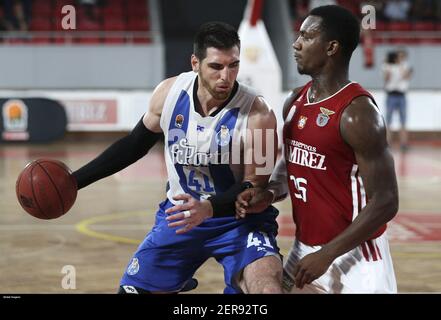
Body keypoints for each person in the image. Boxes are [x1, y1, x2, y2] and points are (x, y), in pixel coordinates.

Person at [72, 21, 283, 294]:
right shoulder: (169, 94)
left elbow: (255, 187)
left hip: (240, 221)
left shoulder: (258, 113)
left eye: (234, 66)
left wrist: (208, 207)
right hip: (181, 217)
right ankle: (175, 272)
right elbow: (134, 145)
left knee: (267, 290)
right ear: (195, 63)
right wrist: (74, 181)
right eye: (216, 67)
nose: (226, 76)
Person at [236, 5, 399, 293]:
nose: (296, 43)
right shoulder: (295, 102)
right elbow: (288, 172)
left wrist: (327, 253)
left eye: (307, 37)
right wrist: (268, 194)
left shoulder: (357, 112)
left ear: (331, 47)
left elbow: (386, 201)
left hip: (357, 257)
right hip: (306, 250)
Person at [383, 49, 412, 151]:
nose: (400, 58)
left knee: (403, 121)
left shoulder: (405, 65)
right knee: (388, 120)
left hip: (401, 95)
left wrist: (400, 65)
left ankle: (404, 144)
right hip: (391, 95)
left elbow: (406, 76)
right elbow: (386, 78)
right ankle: (387, 143)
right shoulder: (388, 66)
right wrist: (387, 66)